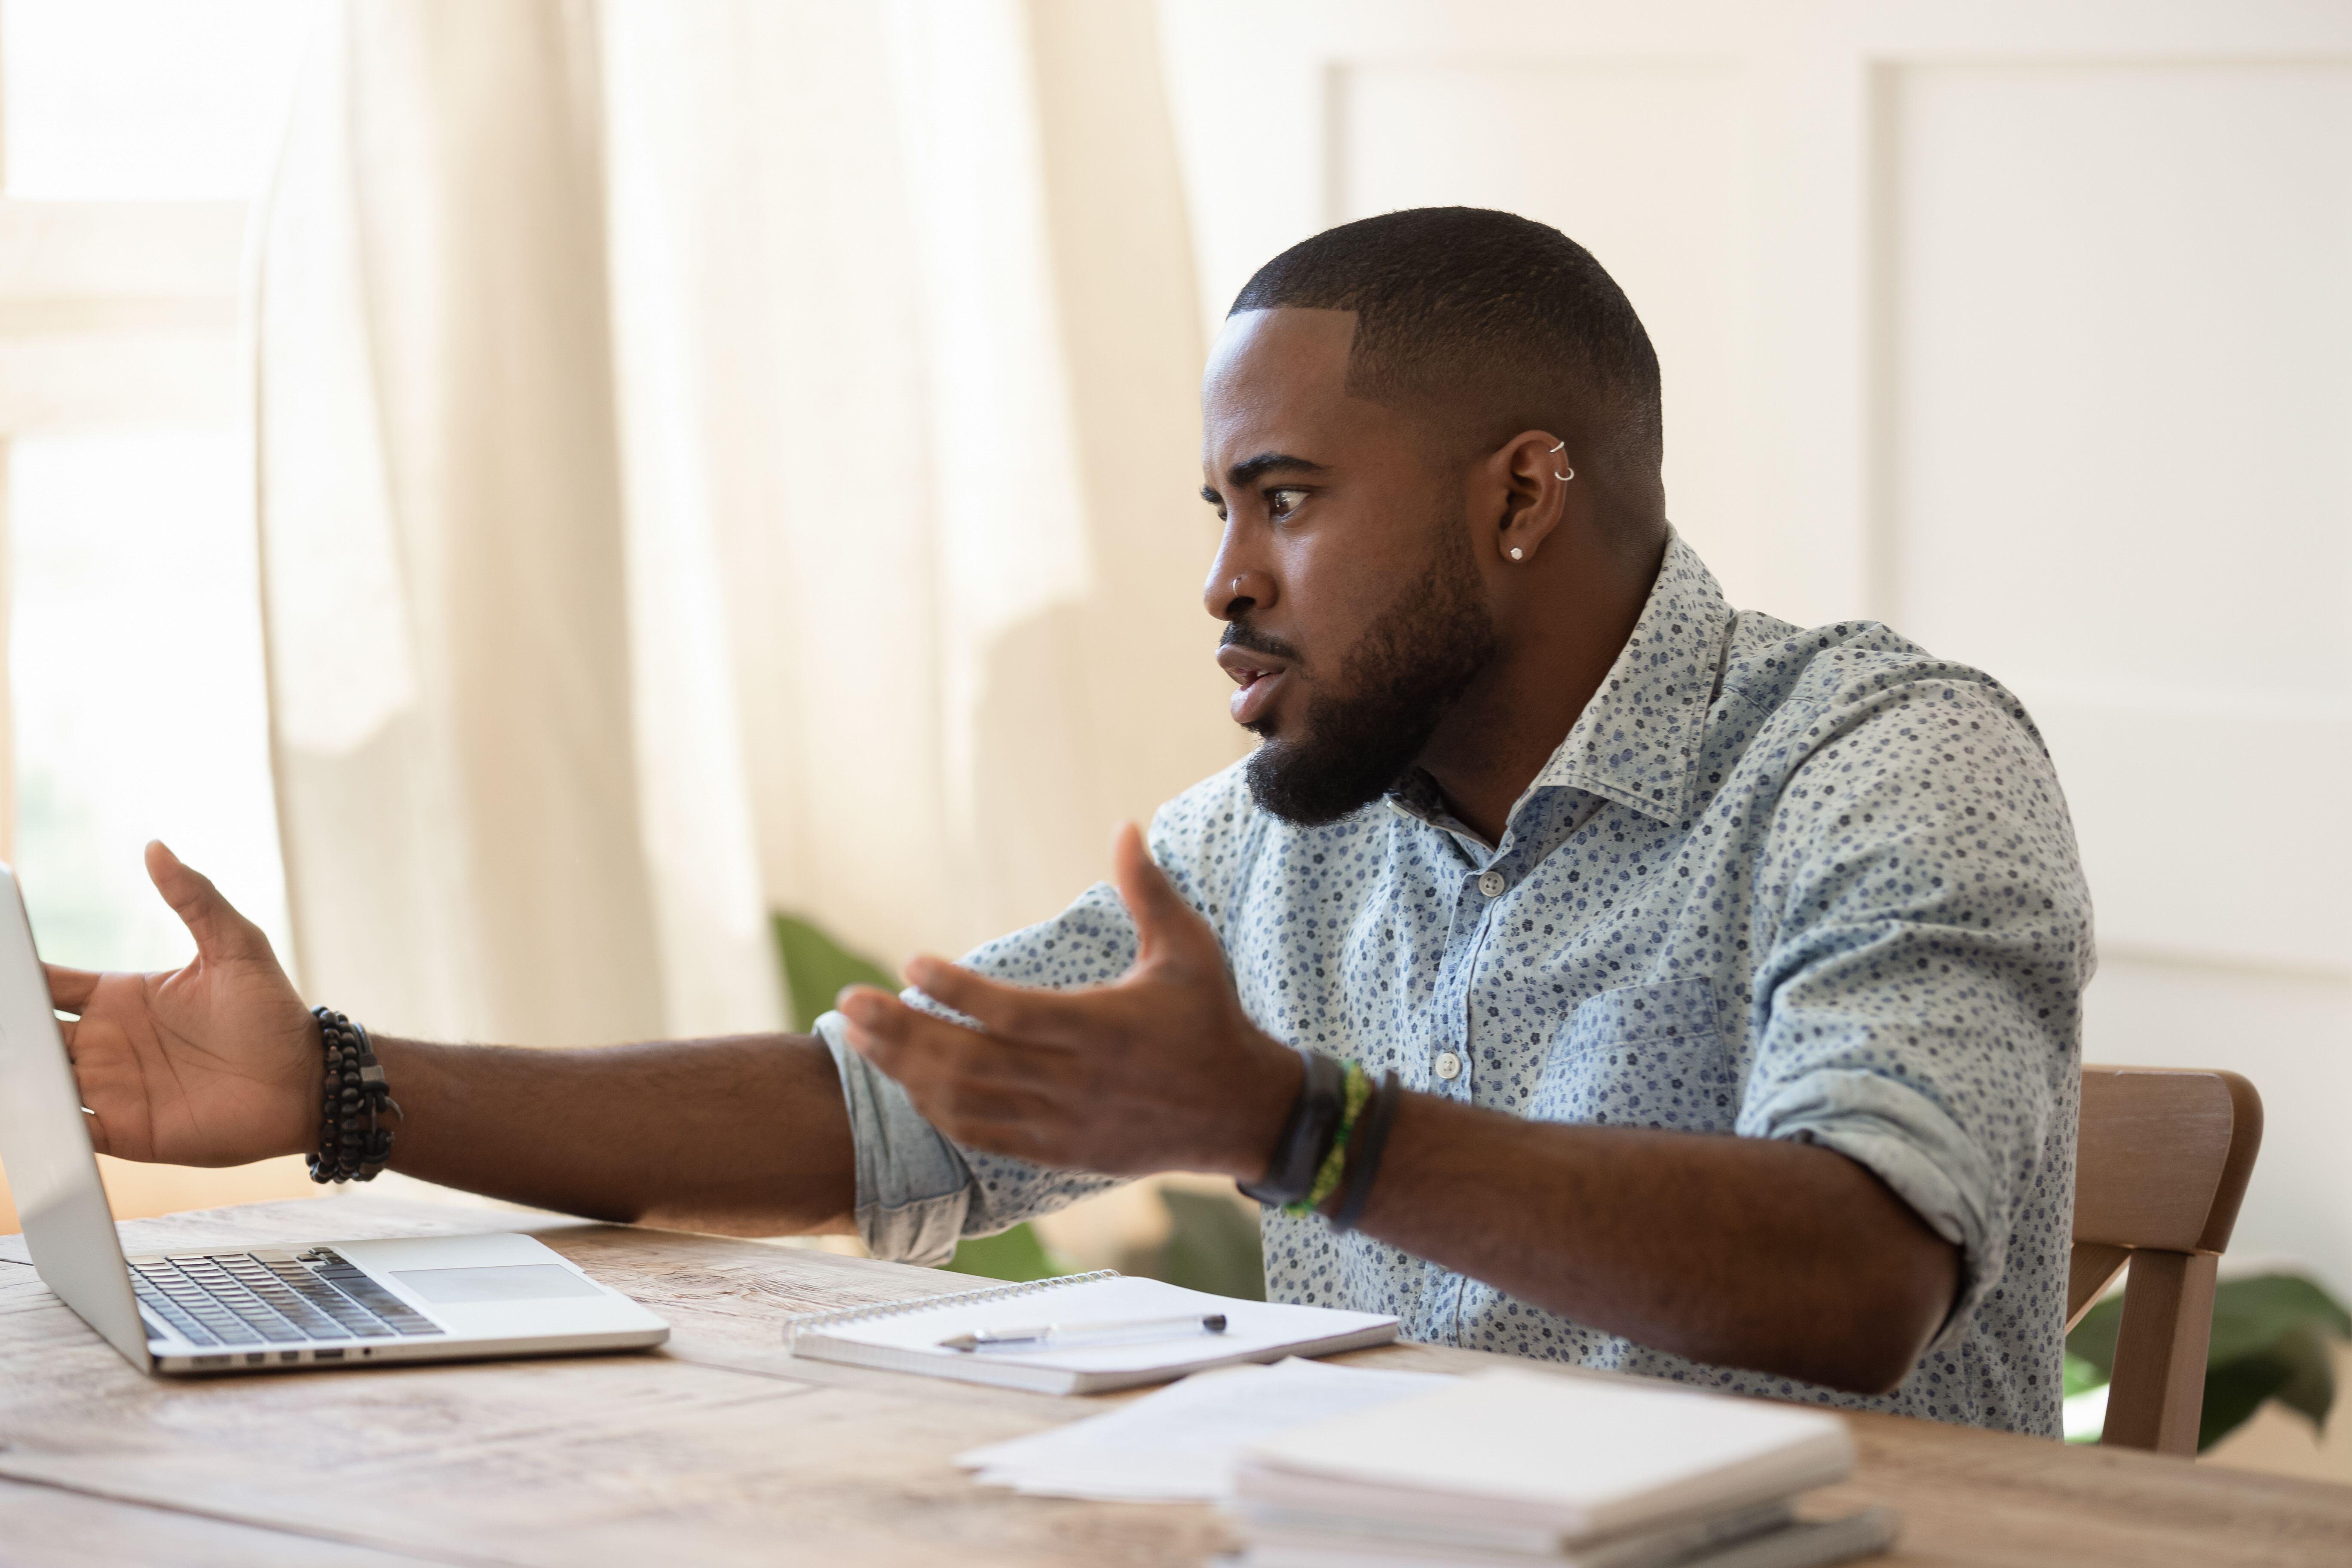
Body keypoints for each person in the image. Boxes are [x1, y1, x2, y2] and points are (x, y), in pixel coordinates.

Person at [49, 208, 2089, 1434]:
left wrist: (1306, 1130)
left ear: (1522, 495)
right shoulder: (1285, 842)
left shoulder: (1883, 765)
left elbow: (1859, 1273)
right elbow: (876, 1111)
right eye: (1219, 511)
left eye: (1283, 497)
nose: (1223, 580)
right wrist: (335, 1086)